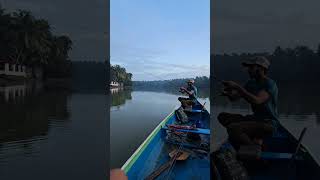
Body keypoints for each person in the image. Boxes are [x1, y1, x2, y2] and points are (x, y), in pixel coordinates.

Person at [218, 56, 278, 150]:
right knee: (222, 117)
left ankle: (255, 148)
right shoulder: (251, 83)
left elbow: (257, 100)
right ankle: (247, 137)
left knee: (233, 128)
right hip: (254, 119)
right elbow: (235, 98)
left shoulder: (270, 84)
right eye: (248, 68)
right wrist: (228, 93)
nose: (248, 70)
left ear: (261, 69)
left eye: (251, 67)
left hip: (268, 123)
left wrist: (237, 87)